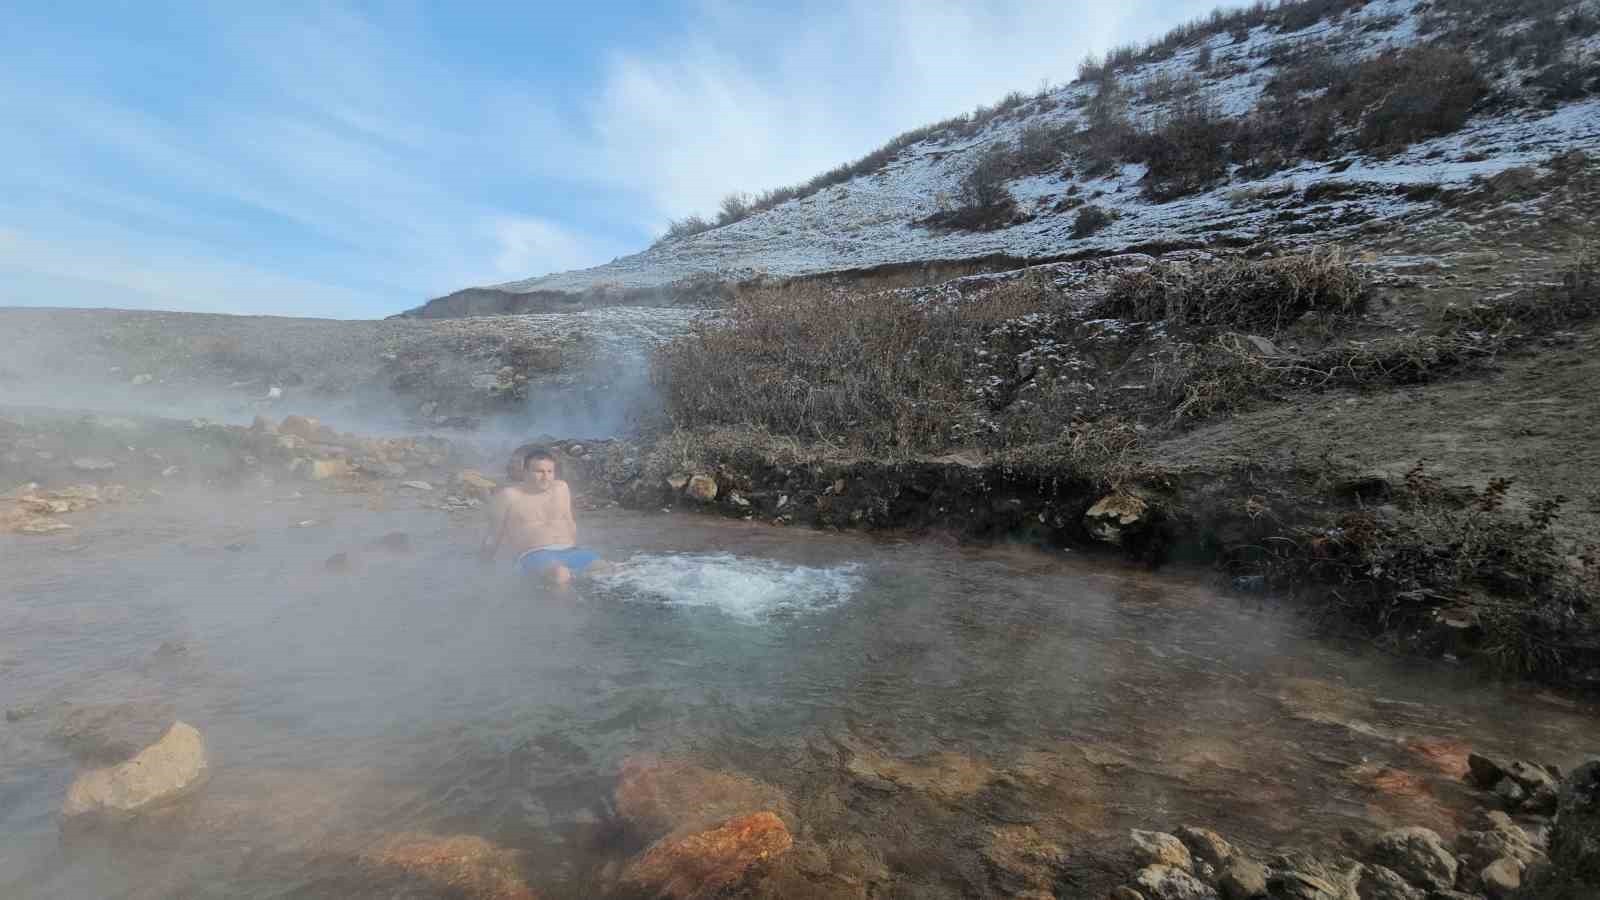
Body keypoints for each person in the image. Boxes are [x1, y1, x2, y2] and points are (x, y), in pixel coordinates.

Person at [479, 445, 604, 586]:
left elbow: (569, 522)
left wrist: (574, 546)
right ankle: (562, 600)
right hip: (534, 554)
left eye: (550, 471)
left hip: (570, 550)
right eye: (539, 471)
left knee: (607, 569)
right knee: (560, 574)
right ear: (525, 472)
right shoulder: (509, 496)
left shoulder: (561, 488)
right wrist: (483, 565)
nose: (546, 477)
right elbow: (493, 535)